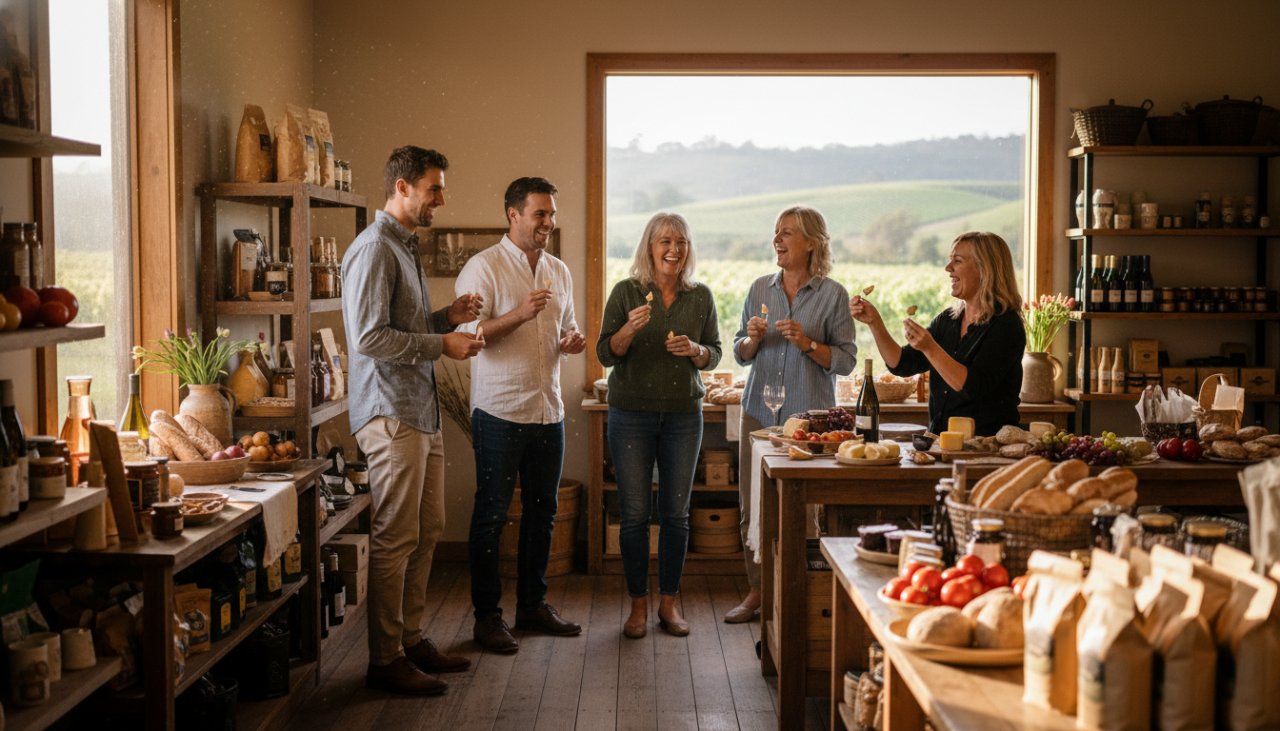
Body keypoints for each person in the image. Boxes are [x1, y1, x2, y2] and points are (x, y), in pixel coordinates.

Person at [341, 146, 485, 696]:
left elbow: (400, 326)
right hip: (390, 413)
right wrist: (442, 342)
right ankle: (384, 658)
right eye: (434, 188)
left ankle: (412, 637)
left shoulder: (402, 246)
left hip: (417, 412)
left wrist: (443, 318)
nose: (441, 199)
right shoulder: (374, 249)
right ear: (401, 188)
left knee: (427, 530)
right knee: (395, 536)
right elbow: (369, 339)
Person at [455, 177, 587, 654]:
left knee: (542, 513)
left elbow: (568, 331)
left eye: (552, 214)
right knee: (491, 515)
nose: (549, 223)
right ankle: (486, 618)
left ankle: (532, 606)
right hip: (499, 411)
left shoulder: (559, 271)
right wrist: (519, 314)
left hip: (547, 409)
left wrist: (573, 342)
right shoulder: (482, 268)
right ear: (513, 214)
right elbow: (468, 338)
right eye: (540, 214)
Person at [723, 205, 857, 624]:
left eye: (786, 233)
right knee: (753, 506)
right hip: (759, 414)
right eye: (776, 233)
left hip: (809, 421)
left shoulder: (832, 294)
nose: (777, 240)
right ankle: (759, 592)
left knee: (806, 510)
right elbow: (740, 352)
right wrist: (751, 341)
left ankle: (797, 593)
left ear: (811, 243)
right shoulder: (760, 288)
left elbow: (847, 361)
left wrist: (809, 345)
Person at [597, 212, 722, 639]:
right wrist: (627, 331)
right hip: (630, 415)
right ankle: (637, 606)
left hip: (684, 416)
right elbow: (606, 353)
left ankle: (668, 604)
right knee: (633, 515)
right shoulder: (626, 292)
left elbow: (716, 353)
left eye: (681, 242)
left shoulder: (700, 296)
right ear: (649, 246)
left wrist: (696, 351)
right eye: (665, 241)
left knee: (675, 514)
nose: (674, 249)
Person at [849, 231, 1025, 437]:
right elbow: (902, 364)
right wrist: (875, 323)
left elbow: (972, 387)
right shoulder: (949, 319)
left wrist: (930, 348)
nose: (948, 269)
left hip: (987, 448)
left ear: (984, 269)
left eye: (957, 261)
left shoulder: (1006, 326)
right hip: (940, 443)